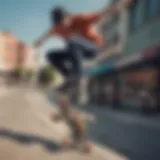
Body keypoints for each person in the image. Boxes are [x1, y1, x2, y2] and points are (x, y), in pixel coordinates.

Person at [34, 0, 132, 91]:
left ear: (68, 16)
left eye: (64, 23)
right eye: (60, 25)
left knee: (72, 41)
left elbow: (102, 12)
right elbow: (47, 34)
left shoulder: (81, 19)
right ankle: (68, 77)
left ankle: (77, 76)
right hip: (75, 51)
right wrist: (39, 41)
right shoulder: (57, 28)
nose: (64, 27)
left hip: (93, 48)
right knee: (50, 55)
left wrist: (120, 4)